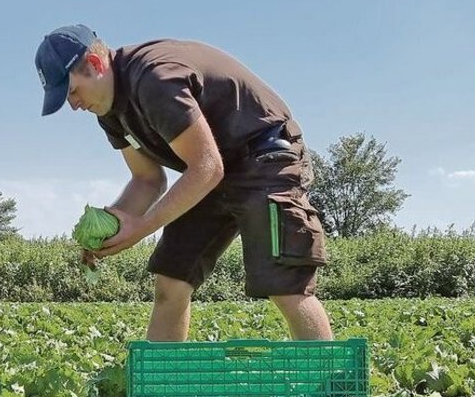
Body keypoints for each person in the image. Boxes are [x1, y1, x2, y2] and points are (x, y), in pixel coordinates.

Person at [36, 25, 333, 342]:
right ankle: (162, 389)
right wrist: (109, 232)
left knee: (285, 283)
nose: (74, 105)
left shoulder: (154, 79)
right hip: (213, 169)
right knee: (172, 278)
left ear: (95, 66)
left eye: (71, 91)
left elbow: (207, 167)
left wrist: (144, 226)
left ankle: (330, 389)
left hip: (265, 156)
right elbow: (147, 180)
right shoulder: (109, 112)